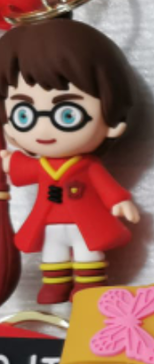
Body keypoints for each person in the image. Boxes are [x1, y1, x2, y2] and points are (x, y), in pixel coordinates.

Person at [0, 17, 140, 303]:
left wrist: (119, 201)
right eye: (24, 115)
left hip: (85, 222)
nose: (43, 130)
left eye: (67, 115)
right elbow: (19, 168)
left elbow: (106, 186)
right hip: (49, 221)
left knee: (88, 253)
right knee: (53, 254)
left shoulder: (88, 166)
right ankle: (55, 286)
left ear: (111, 118)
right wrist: (6, 160)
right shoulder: (40, 165)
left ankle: (89, 286)